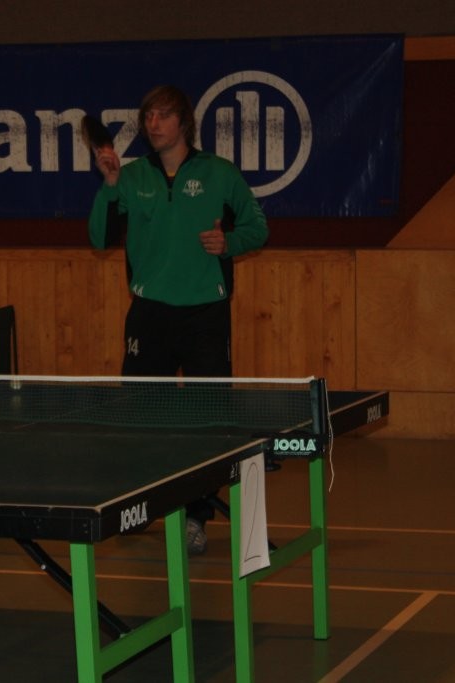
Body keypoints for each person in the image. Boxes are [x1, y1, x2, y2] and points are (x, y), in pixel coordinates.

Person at [89, 85, 268, 555]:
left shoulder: (220, 174)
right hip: (149, 314)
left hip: (206, 314)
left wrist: (230, 243)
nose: (154, 123)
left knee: (207, 424)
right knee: (143, 419)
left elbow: (258, 227)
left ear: (184, 122)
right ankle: (143, 504)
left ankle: (196, 517)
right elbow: (99, 237)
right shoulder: (131, 177)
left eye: (164, 115)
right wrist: (109, 186)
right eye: (148, 115)